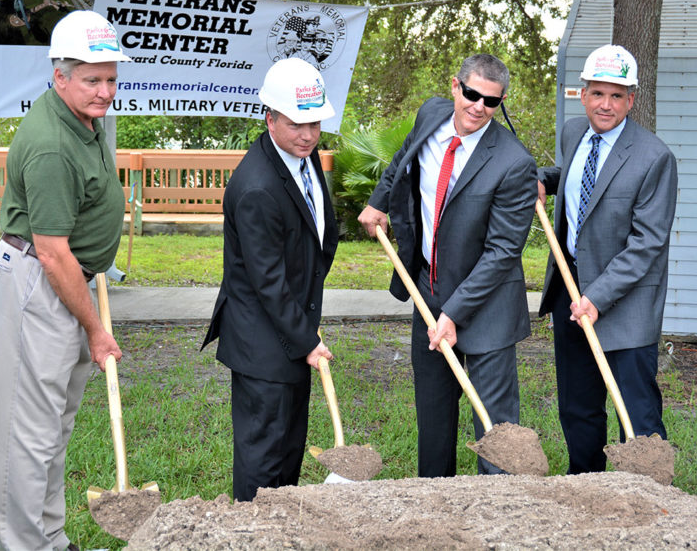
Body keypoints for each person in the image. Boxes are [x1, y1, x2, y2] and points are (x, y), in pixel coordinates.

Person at [0, 10, 129, 550]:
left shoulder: (80, 121)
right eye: (92, 79)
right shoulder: (51, 144)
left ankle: (50, 537)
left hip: (66, 282)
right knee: (29, 434)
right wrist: (96, 330)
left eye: (111, 78)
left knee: (53, 426)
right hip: (39, 285)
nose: (104, 91)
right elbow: (52, 253)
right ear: (60, 76)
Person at [358, 54, 537, 476]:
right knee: (434, 422)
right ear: (455, 86)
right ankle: (434, 504)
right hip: (428, 296)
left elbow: (503, 252)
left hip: (487, 309)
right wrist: (377, 202)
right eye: (471, 94)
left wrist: (454, 314)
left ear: (501, 102)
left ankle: (501, 509)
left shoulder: (514, 163)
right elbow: (403, 158)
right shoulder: (431, 114)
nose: (478, 106)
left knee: (496, 428)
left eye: (490, 102)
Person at [202, 57, 339, 501]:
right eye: (297, 124)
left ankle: (280, 534)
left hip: (289, 331)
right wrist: (307, 339)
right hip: (263, 343)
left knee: (288, 451)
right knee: (263, 460)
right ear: (270, 118)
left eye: (315, 123)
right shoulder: (258, 186)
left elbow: (315, 237)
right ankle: (251, 534)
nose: (308, 134)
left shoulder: (302, 155)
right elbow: (268, 283)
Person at [537, 44, 677, 475]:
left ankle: (648, 491)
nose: (606, 105)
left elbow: (647, 242)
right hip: (570, 285)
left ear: (632, 100)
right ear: (583, 94)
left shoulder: (655, 157)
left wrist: (596, 296)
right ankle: (586, 482)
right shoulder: (574, 132)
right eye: (598, 93)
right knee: (578, 402)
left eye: (617, 96)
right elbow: (584, 182)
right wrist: (544, 179)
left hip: (625, 299)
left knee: (635, 409)